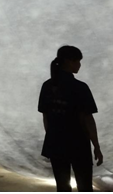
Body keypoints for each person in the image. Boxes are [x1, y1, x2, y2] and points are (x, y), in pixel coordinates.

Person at [38, 46, 103, 192]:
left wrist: (52, 137)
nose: (79, 65)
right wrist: (96, 147)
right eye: (77, 61)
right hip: (78, 143)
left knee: (62, 186)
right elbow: (88, 120)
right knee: (84, 186)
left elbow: (46, 117)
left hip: (55, 143)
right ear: (68, 61)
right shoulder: (80, 87)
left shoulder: (47, 86)